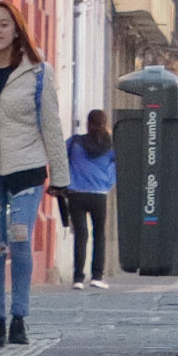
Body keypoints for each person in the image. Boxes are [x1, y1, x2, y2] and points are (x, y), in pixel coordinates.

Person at [0, 0, 66, 347]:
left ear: (16, 28)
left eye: (4, 24)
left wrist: (61, 178)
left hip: (27, 166)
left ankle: (19, 316)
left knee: (20, 237)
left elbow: (50, 124)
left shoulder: (38, 71)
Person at [62, 107, 116, 288]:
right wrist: (108, 183)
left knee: (81, 235)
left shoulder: (75, 142)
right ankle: (97, 276)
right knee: (99, 234)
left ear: (87, 123)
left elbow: (60, 156)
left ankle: (78, 278)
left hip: (76, 193)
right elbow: (118, 166)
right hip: (99, 195)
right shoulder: (111, 145)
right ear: (105, 124)